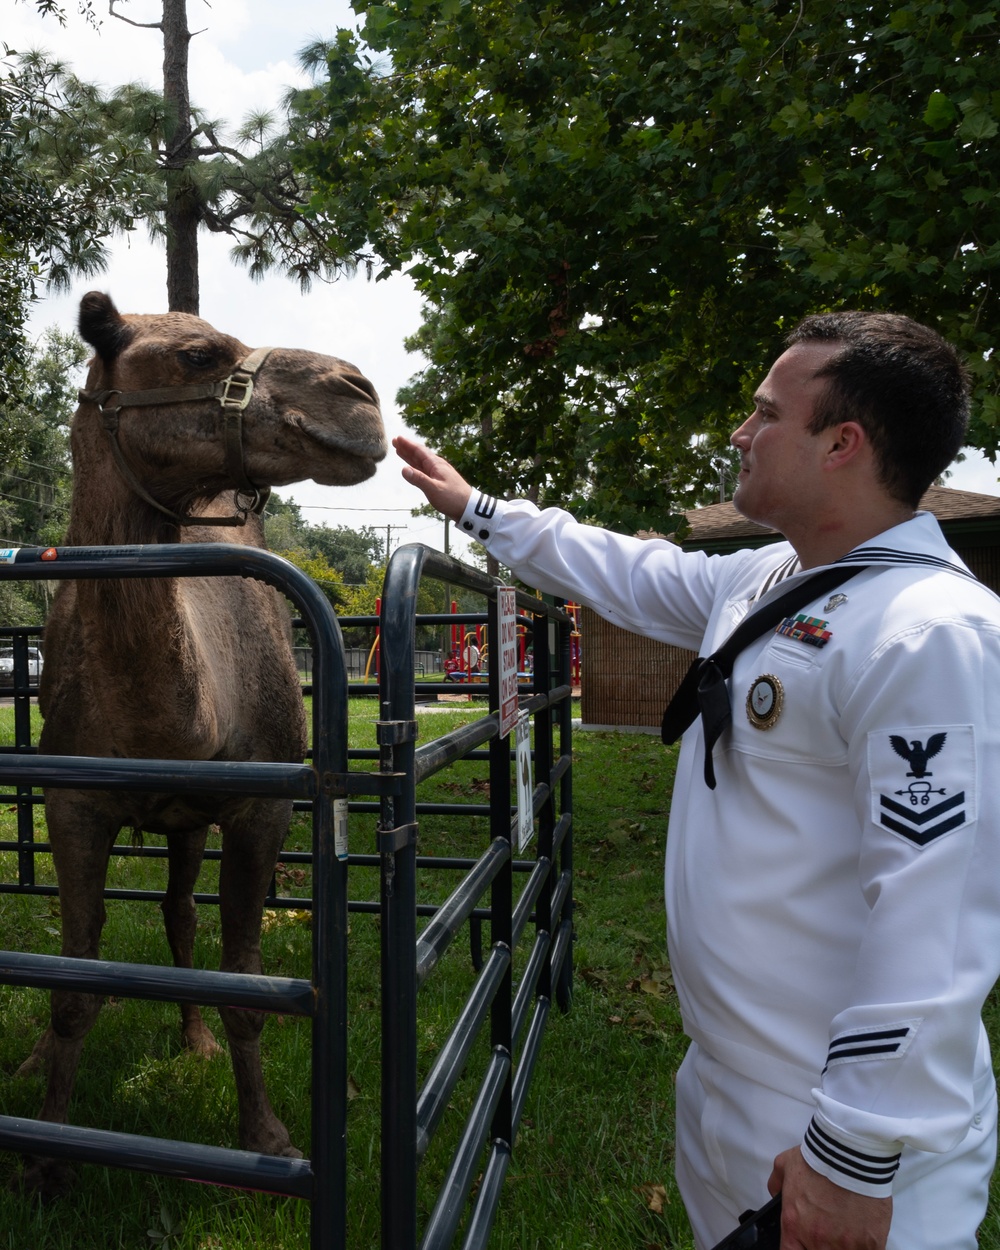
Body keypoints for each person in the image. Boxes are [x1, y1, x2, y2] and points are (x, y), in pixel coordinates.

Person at [394, 311, 1000, 1250]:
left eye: (765, 414)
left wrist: (853, 1153)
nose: (738, 433)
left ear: (842, 443)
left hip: (837, 1129)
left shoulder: (928, 632)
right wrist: (480, 511)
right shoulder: (768, 579)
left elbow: (939, 916)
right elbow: (628, 571)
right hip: (729, 1087)